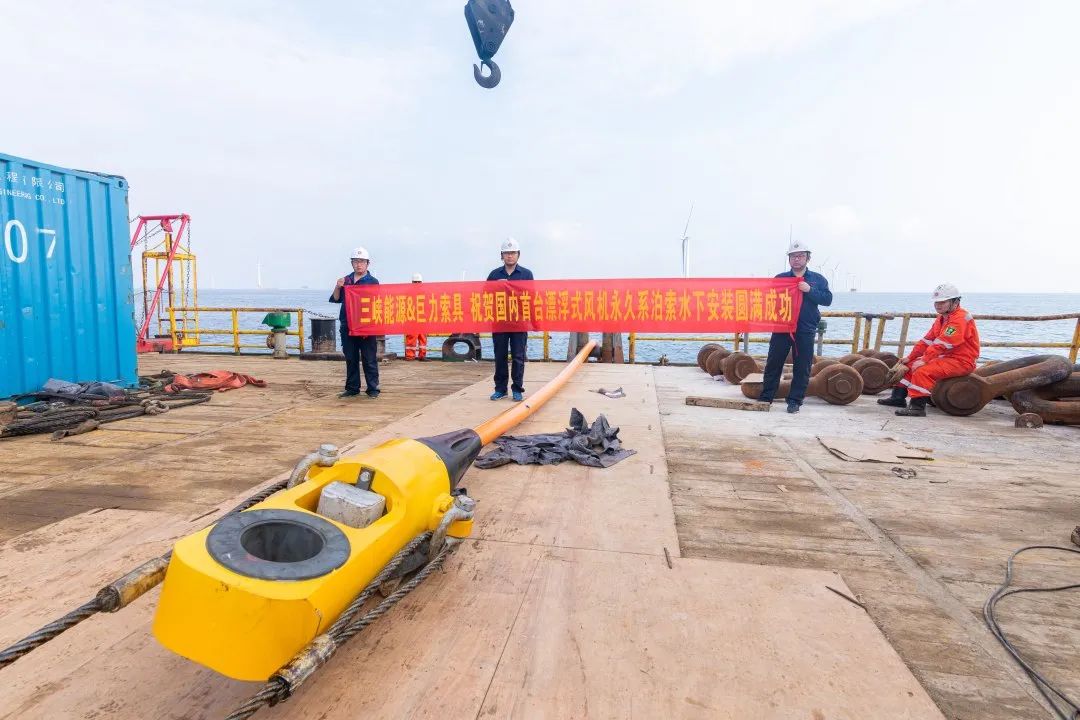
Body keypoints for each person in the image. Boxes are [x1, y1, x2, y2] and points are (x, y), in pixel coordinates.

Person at [877, 283, 979, 417]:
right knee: (909, 366)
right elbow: (927, 341)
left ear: (955, 302)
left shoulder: (960, 319)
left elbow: (944, 343)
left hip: (962, 361)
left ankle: (917, 407)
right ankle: (898, 398)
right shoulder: (942, 318)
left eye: (942, 302)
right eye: (936, 302)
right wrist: (910, 357)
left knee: (922, 371)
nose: (938, 305)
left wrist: (925, 360)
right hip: (946, 358)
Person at [758, 239, 833, 413]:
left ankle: (795, 400)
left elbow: (827, 299)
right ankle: (766, 397)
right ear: (789, 259)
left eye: (800, 256)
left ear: (808, 258)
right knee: (773, 363)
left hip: (805, 329)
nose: (796, 259)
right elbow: (768, 299)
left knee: (802, 366)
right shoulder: (780, 279)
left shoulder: (817, 279)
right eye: (793, 256)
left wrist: (809, 290)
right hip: (782, 327)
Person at [329, 247, 380, 398]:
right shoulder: (346, 280)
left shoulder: (373, 282)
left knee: (369, 358)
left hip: (366, 325)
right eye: (356, 261)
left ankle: (373, 388)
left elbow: (377, 303)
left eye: (362, 261)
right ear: (352, 263)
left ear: (367, 263)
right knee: (351, 358)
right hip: (348, 325)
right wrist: (338, 286)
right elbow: (336, 298)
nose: (358, 264)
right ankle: (352, 387)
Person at [487, 237, 533, 401]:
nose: (510, 256)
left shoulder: (526, 274)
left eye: (513, 253)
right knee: (499, 356)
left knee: (518, 357)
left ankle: (517, 389)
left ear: (518, 254)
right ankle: (500, 389)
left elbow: (531, 296)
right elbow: (485, 296)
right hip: (500, 321)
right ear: (502, 255)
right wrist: (497, 287)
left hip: (519, 322)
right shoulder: (494, 275)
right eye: (506, 253)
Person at [404, 273, 428, 361]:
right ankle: (410, 356)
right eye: (416, 282)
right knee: (411, 338)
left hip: (421, 319)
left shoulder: (424, 293)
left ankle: (422, 355)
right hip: (412, 319)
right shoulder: (409, 293)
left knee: (423, 338)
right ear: (412, 282)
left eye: (418, 282)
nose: (417, 283)